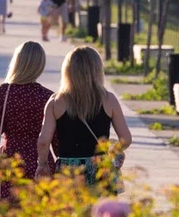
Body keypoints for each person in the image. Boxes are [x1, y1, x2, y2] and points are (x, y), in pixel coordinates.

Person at [36, 46, 132, 191]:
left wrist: (42, 163)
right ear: (97, 71)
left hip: (68, 171)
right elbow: (126, 139)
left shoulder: (56, 102)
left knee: (70, 211)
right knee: (101, 212)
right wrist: (110, 153)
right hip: (100, 169)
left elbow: (43, 141)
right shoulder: (108, 100)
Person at [0, 41, 56, 200]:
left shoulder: (4, 92)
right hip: (41, 161)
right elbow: (57, 140)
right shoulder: (48, 97)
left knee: (12, 214)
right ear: (40, 65)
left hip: (12, 161)